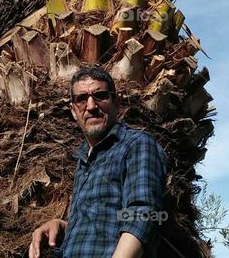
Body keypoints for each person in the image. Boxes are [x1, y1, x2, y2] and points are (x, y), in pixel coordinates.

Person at [28, 67, 168, 258]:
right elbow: (103, 222)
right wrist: (64, 227)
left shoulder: (136, 144)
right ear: (73, 111)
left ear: (115, 102)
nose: (91, 106)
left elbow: (143, 215)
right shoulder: (83, 160)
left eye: (100, 96)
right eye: (81, 99)